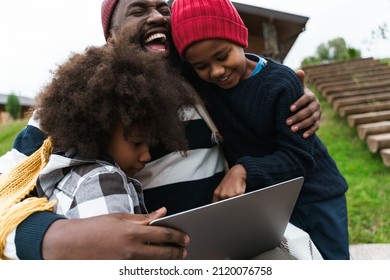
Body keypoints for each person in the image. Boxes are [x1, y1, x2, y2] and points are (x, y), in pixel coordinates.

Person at [0, 0, 321, 260]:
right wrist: (55, 239)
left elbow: (254, 82)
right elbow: (6, 187)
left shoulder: (204, 82)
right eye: (139, 10)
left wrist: (294, 95)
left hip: (237, 247)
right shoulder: (81, 103)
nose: (157, 16)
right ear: (111, 36)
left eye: (164, 8)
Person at [170, 0, 350, 260]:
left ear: (241, 38)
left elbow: (298, 157)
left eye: (222, 56)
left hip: (316, 196)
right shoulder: (204, 83)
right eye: (201, 66)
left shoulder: (280, 84)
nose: (216, 71)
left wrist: (243, 170)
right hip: (270, 206)